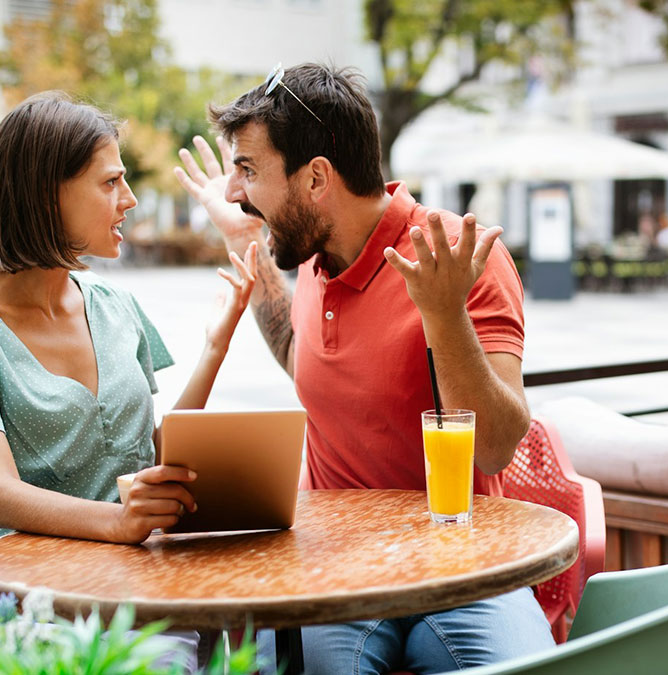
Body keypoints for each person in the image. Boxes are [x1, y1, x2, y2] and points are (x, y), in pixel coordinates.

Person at [175, 63, 550, 674]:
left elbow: (497, 449)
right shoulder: (314, 257)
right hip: (333, 567)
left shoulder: (452, 254)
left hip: (464, 566)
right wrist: (245, 240)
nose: (236, 191)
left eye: (248, 170)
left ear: (317, 178)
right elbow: (304, 358)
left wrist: (442, 314)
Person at [0, 92, 258, 649]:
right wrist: (117, 521)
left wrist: (214, 351)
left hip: (142, 587)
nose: (130, 199)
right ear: (45, 192)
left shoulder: (116, 306)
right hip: (29, 601)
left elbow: (151, 455)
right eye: (110, 182)